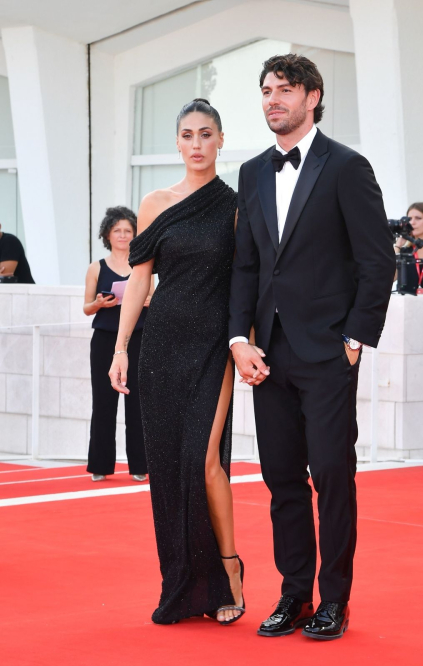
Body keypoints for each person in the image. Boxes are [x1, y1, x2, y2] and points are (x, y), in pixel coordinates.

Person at [229, 54, 395, 641]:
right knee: (281, 480)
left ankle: (335, 601)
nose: (273, 99)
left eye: (285, 90)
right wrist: (237, 339)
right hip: (267, 354)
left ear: (313, 96)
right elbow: (245, 266)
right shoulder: (251, 173)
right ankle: (294, 595)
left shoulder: (347, 167)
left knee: (332, 475)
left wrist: (354, 340)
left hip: (327, 353)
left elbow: (378, 264)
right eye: (266, 91)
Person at [108, 99, 245, 626]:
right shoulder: (155, 202)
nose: (196, 144)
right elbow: (140, 278)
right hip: (160, 343)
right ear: (178, 142)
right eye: (187, 134)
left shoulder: (236, 204)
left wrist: (244, 342)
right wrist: (122, 347)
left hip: (214, 344)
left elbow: (245, 280)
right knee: (166, 469)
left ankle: (229, 570)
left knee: (204, 460)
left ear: (220, 140)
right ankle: (184, 582)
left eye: (205, 134)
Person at [84, 206, 153, 482]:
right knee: (103, 402)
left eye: (128, 231)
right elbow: (87, 307)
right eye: (117, 231)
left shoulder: (143, 264)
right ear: (107, 235)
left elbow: (154, 298)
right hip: (104, 340)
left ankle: (139, 465)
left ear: (135, 235)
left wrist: (149, 300)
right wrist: (99, 303)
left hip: (138, 338)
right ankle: (99, 465)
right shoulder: (95, 268)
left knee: (137, 403)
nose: (123, 235)